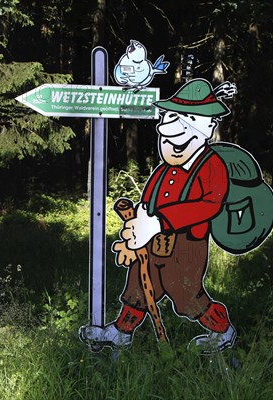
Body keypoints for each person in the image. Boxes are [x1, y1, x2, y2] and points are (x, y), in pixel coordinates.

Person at [80, 78, 237, 354]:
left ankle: (221, 330)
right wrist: (136, 228)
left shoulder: (211, 165)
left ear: (205, 130)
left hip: (187, 245)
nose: (172, 146)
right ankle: (122, 331)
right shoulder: (164, 171)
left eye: (178, 140)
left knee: (186, 295)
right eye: (168, 140)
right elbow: (148, 201)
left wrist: (160, 221)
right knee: (139, 286)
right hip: (153, 243)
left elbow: (209, 204)